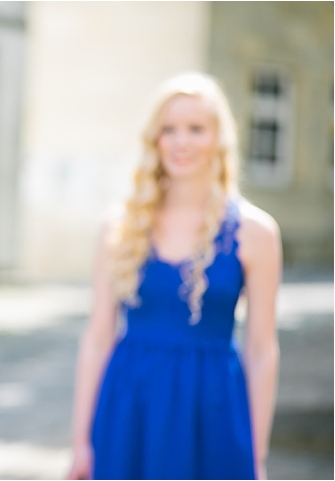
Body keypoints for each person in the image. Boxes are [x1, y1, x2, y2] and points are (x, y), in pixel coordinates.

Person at [67, 72, 281, 480]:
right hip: (130, 404)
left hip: (214, 406)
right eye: (169, 129)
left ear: (218, 138)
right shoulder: (120, 226)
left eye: (196, 129)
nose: (181, 142)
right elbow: (97, 339)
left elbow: (261, 350)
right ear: (155, 139)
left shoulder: (257, 232)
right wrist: (81, 442)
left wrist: (257, 455)